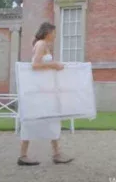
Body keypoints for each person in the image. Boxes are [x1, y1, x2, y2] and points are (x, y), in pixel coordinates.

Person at [18, 22, 74, 166]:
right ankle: (23, 155)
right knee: (33, 120)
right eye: (54, 33)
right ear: (47, 32)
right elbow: (35, 65)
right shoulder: (41, 44)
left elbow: (43, 66)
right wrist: (54, 65)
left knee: (53, 119)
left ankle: (57, 154)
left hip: (45, 90)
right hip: (39, 90)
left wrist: (55, 65)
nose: (55, 36)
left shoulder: (44, 45)